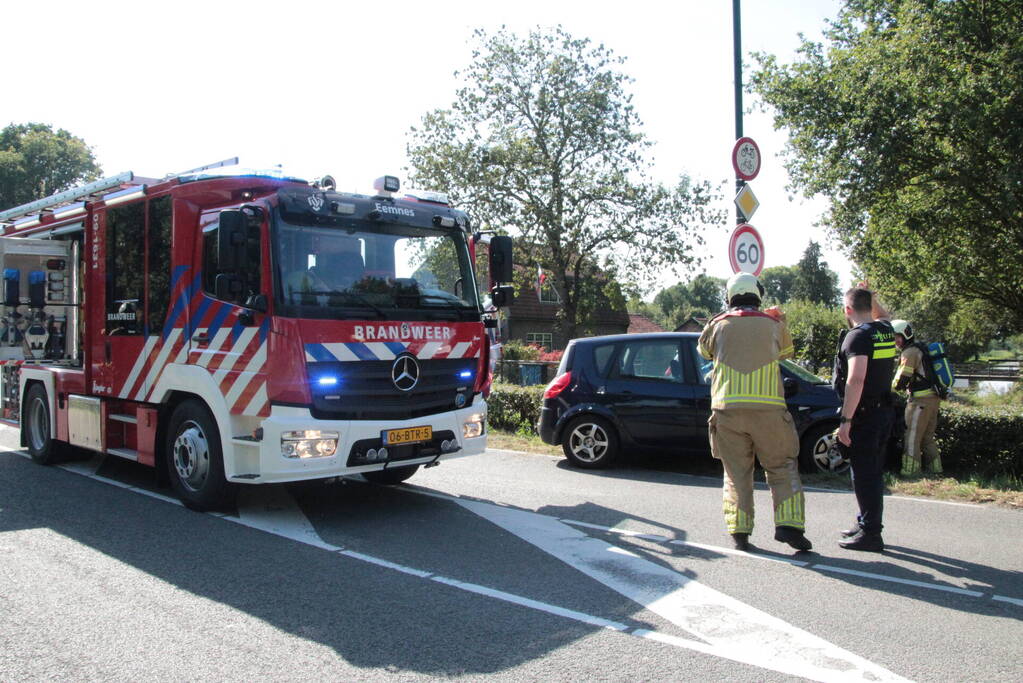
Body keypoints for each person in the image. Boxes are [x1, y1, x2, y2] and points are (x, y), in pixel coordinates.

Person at [698, 273, 811, 552]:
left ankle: (739, 532)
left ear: (730, 295)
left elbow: (703, 352)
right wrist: (779, 319)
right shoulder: (773, 324)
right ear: (758, 295)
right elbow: (786, 352)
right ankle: (789, 526)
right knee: (782, 467)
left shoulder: (717, 324)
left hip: (727, 411)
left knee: (736, 473)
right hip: (769, 410)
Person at [833, 284, 896, 552]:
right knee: (871, 471)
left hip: (865, 415)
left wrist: (845, 421)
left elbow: (856, 378)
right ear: (869, 307)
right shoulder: (884, 331)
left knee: (865, 474)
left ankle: (871, 533)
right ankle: (865, 522)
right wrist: (872, 297)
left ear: (847, 310)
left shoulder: (856, 337)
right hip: (884, 412)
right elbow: (884, 316)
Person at [891, 319, 943, 475]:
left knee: (911, 437)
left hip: (919, 402)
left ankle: (910, 472)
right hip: (933, 400)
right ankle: (936, 470)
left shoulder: (909, 352)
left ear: (906, 334)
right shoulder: (920, 348)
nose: (896, 341)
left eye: (897, 337)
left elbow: (900, 382)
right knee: (928, 438)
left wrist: (888, 387)